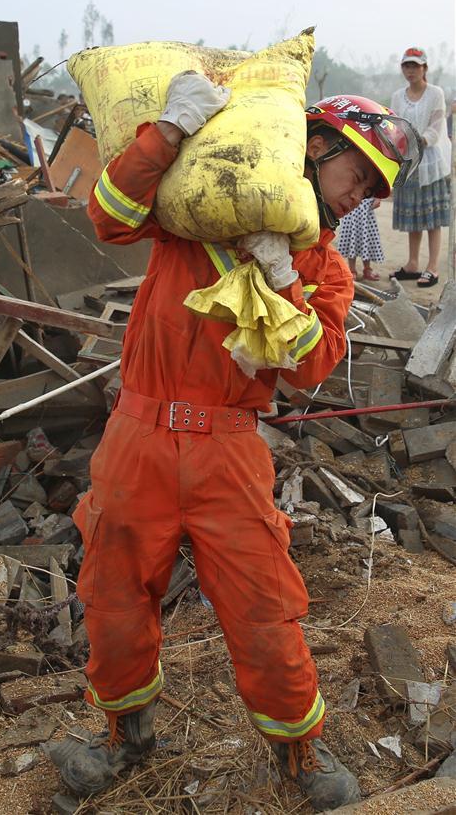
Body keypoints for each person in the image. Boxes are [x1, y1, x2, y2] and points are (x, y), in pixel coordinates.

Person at [43, 85, 421, 811]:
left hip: (229, 449)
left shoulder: (327, 267)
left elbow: (310, 367)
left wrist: (283, 278)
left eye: (376, 191)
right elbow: (107, 215)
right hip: (137, 441)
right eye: (360, 179)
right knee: (114, 601)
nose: (362, 200)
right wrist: (167, 132)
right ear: (319, 146)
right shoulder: (198, 203)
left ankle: (298, 755)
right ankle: (126, 738)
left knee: (264, 610)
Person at [389, 47, 451, 288]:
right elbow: (394, 125)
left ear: (424, 68)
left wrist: (418, 141)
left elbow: (436, 126)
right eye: (406, 65)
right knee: (413, 215)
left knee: (431, 216)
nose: (410, 70)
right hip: (408, 162)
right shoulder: (397, 96)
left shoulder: (435, 93)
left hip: (431, 162)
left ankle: (432, 267)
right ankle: (413, 264)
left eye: (415, 65)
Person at [337, 196, 384, 280]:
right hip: (351, 205)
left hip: (367, 206)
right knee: (351, 236)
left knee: (366, 238)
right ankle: (352, 270)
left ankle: (367, 269)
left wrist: (378, 197)